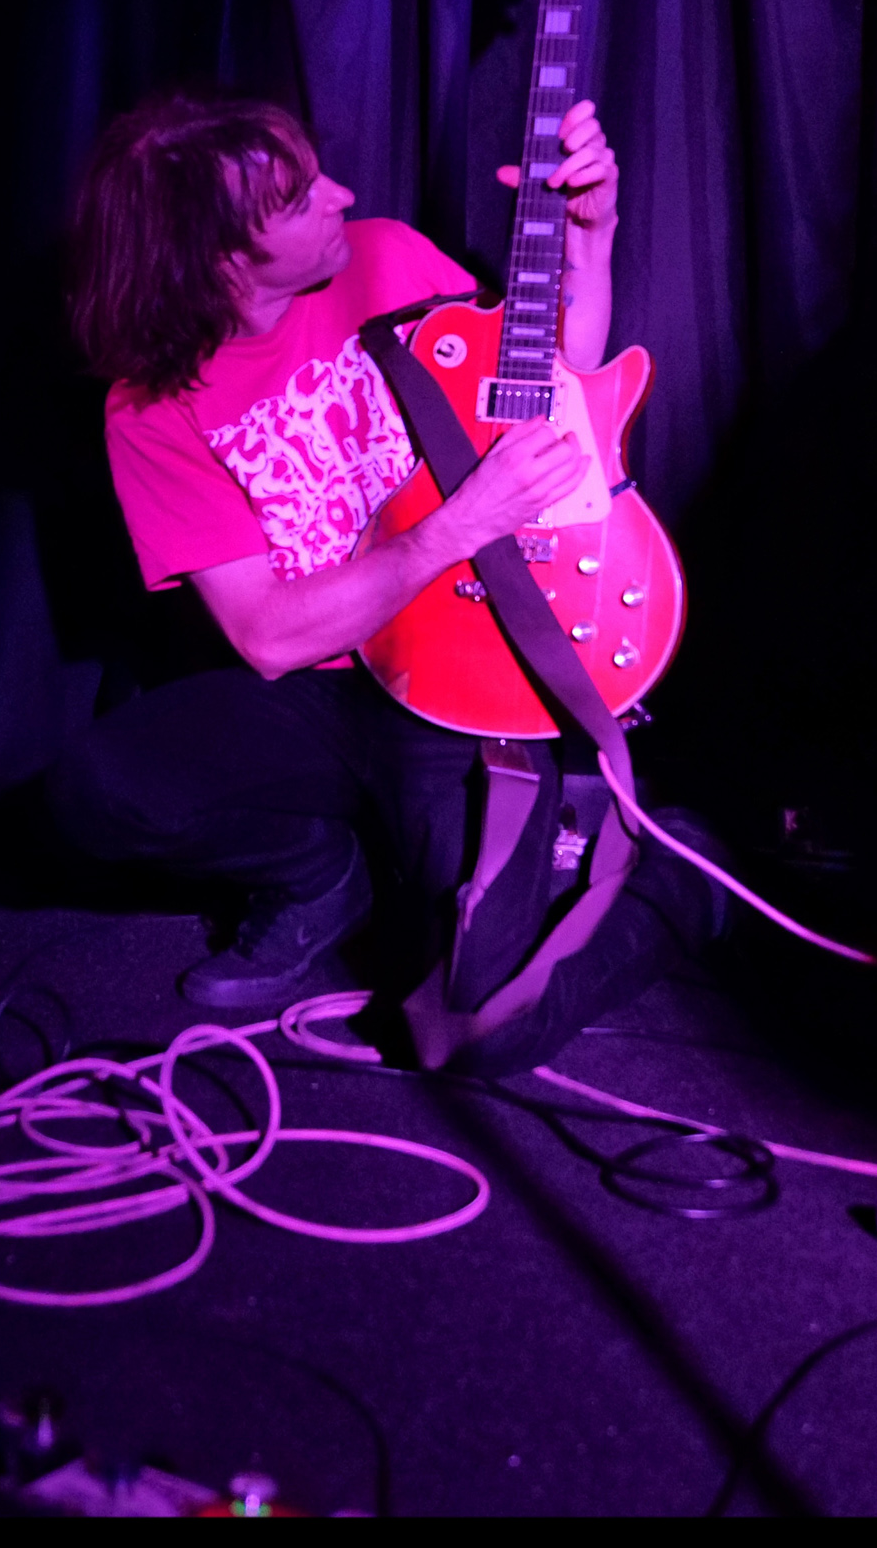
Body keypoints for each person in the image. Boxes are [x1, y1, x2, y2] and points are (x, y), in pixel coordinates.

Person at [49, 86, 721, 1072]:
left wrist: (591, 235)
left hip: (460, 671)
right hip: (321, 686)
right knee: (95, 794)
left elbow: (551, 391)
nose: (343, 196)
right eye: (299, 200)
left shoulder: (388, 260)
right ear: (221, 261)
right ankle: (319, 876)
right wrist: (456, 526)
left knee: (478, 1026)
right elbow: (268, 636)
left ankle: (688, 872)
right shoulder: (152, 409)